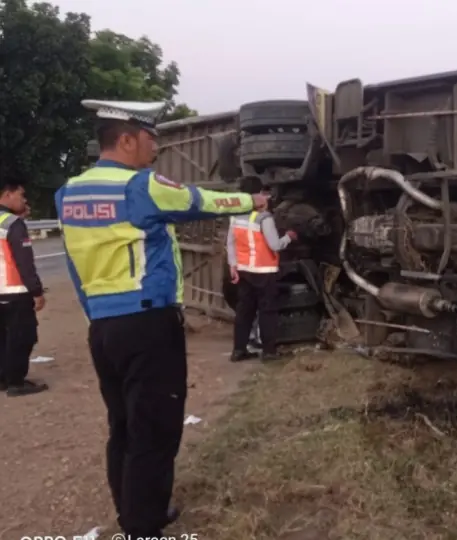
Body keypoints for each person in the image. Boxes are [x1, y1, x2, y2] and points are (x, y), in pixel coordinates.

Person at [55, 99, 270, 539]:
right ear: (128, 139)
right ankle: (143, 524)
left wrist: (95, 315)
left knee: (123, 425)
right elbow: (200, 200)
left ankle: (132, 509)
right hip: (147, 324)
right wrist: (255, 199)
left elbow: (76, 267)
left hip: (103, 327)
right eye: (152, 140)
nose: (156, 150)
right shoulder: (140, 186)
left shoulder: (69, 192)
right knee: (155, 426)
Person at [227, 176, 296, 362]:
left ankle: (238, 350)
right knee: (267, 311)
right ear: (259, 194)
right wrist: (288, 237)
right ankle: (269, 352)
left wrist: (233, 265)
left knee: (244, 311)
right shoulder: (264, 218)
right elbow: (274, 245)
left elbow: (230, 243)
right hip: (265, 272)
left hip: (244, 271)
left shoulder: (235, 216)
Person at [0, 181, 47, 397]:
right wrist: (36, 291)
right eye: (21, 195)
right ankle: (16, 381)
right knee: (22, 336)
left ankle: (3, 378)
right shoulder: (13, 224)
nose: (24, 200)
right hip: (15, 291)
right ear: (7, 195)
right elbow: (24, 262)